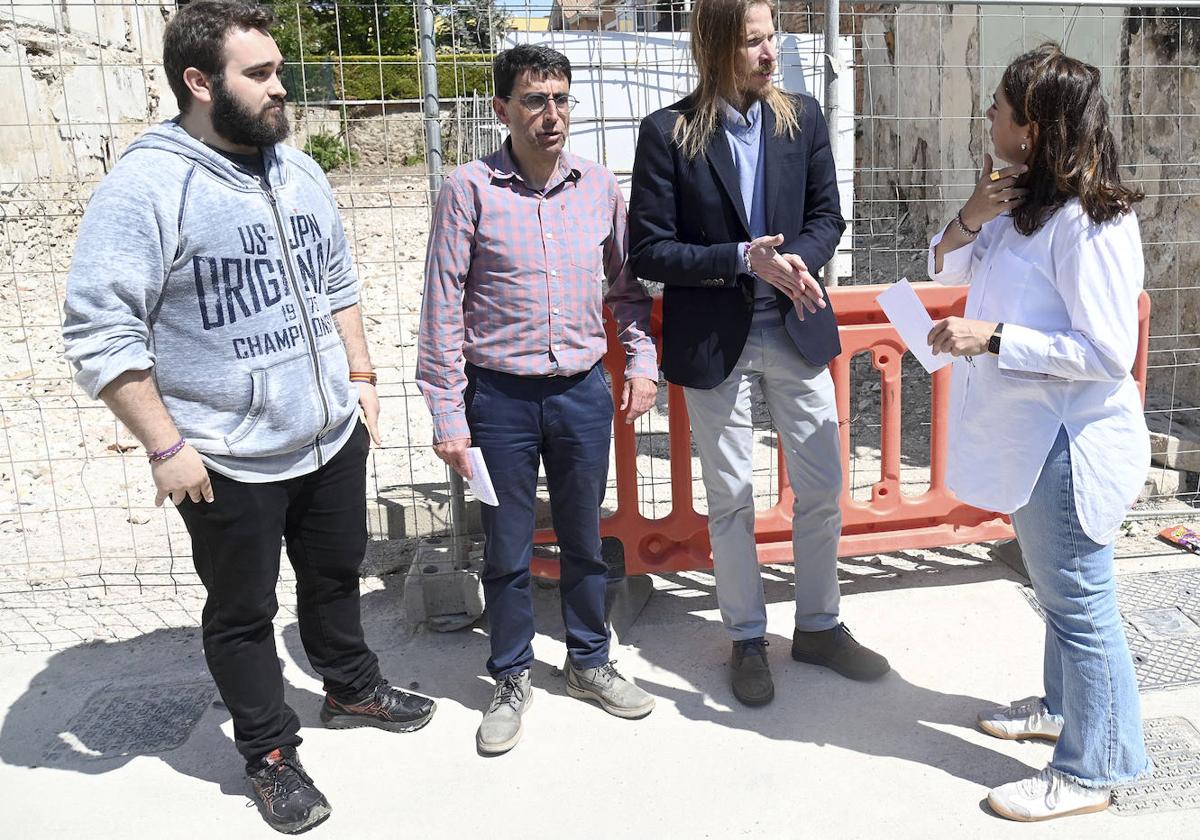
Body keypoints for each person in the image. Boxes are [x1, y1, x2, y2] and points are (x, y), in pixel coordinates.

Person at [61, 2, 434, 833]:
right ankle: (268, 753)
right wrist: (165, 446)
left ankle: (350, 686)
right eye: (259, 74)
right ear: (199, 83)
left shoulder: (295, 169)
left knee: (336, 575)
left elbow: (337, 279)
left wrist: (362, 379)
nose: (280, 87)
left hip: (330, 431)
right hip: (226, 456)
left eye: (278, 70)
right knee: (243, 613)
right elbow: (98, 331)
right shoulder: (148, 187)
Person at [628, 0, 889, 707]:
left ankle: (819, 626)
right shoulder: (668, 133)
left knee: (823, 485)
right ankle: (747, 637)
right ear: (715, 48)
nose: (771, 52)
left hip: (795, 327)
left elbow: (827, 215)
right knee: (732, 497)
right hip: (717, 341)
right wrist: (742, 259)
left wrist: (797, 260)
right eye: (754, 41)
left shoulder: (800, 118)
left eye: (772, 36)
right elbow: (649, 250)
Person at [926, 43, 1151, 822]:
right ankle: (1061, 709)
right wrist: (968, 216)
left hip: (1067, 443)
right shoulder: (1021, 202)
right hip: (1029, 438)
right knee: (1058, 593)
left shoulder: (1091, 222)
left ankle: (1092, 770)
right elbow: (947, 269)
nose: (988, 113)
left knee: (1082, 603)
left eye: (1001, 106)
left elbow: (1106, 353)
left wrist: (991, 338)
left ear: (1036, 126)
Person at [416, 44, 659, 755]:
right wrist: (448, 415)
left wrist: (641, 362)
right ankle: (511, 675)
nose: (550, 115)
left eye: (560, 99)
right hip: (500, 400)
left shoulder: (599, 187)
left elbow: (626, 291)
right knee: (508, 547)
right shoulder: (469, 189)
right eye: (533, 100)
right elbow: (441, 308)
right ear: (502, 109)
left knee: (587, 538)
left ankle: (589, 660)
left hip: (583, 391)